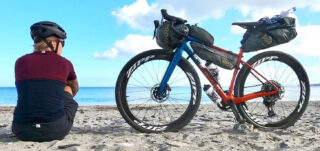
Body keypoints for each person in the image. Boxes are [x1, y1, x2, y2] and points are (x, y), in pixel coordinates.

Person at [12, 21, 79, 142]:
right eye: (62, 43)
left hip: (21, 130)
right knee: (67, 88)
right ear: (53, 43)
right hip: (55, 130)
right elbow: (75, 88)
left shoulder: (19, 62)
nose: (63, 47)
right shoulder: (65, 63)